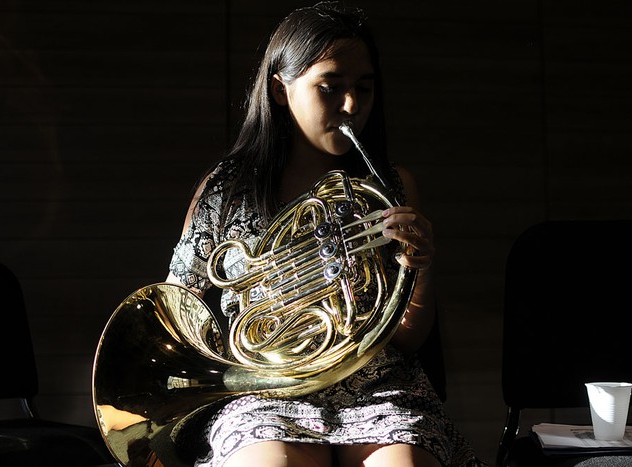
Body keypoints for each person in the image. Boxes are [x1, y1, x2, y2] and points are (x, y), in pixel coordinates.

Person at [166, 2, 484, 466]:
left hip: (376, 387)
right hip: (266, 390)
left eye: (364, 88)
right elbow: (179, 316)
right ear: (280, 90)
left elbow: (409, 338)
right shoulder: (227, 188)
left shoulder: (392, 187)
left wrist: (420, 264)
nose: (351, 105)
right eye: (330, 88)